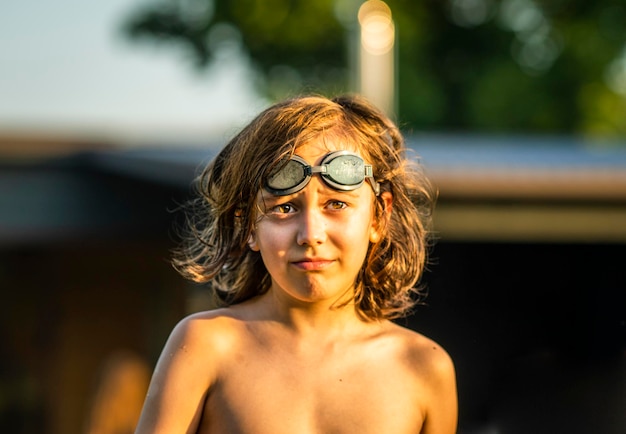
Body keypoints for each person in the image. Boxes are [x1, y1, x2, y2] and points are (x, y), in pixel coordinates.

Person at [135, 94, 458, 434]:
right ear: (249, 227)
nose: (310, 235)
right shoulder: (206, 346)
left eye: (336, 203)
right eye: (284, 208)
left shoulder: (422, 366)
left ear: (379, 216)